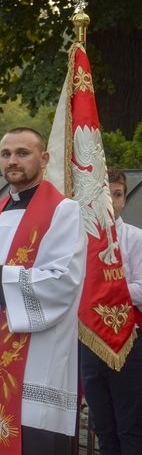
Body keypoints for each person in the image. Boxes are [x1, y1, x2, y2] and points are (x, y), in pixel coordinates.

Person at [0, 128, 87, 455]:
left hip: (33, 361)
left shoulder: (63, 211)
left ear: (44, 158)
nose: (12, 160)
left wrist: (1, 274)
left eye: (22, 153)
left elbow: (63, 282)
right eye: (6, 153)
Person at [80, 167, 142, 455]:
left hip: (129, 340)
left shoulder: (136, 238)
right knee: (102, 424)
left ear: (124, 199)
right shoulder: (83, 241)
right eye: (105, 195)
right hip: (91, 339)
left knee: (129, 424)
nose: (111, 202)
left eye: (117, 195)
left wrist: (107, 292)